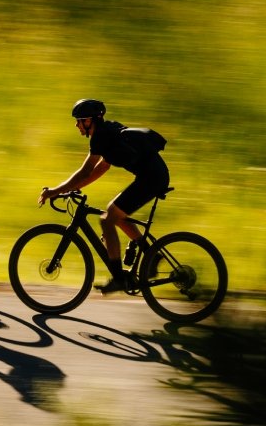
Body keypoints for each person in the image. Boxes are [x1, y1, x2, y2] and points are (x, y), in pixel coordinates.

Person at [39, 98, 170, 294]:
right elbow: (100, 169)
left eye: (79, 120)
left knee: (107, 220)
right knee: (114, 214)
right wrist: (69, 189)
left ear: (90, 121)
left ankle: (118, 278)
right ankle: (152, 255)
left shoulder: (100, 137)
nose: (77, 125)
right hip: (152, 176)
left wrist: (54, 191)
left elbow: (85, 171)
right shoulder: (107, 132)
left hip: (151, 179)